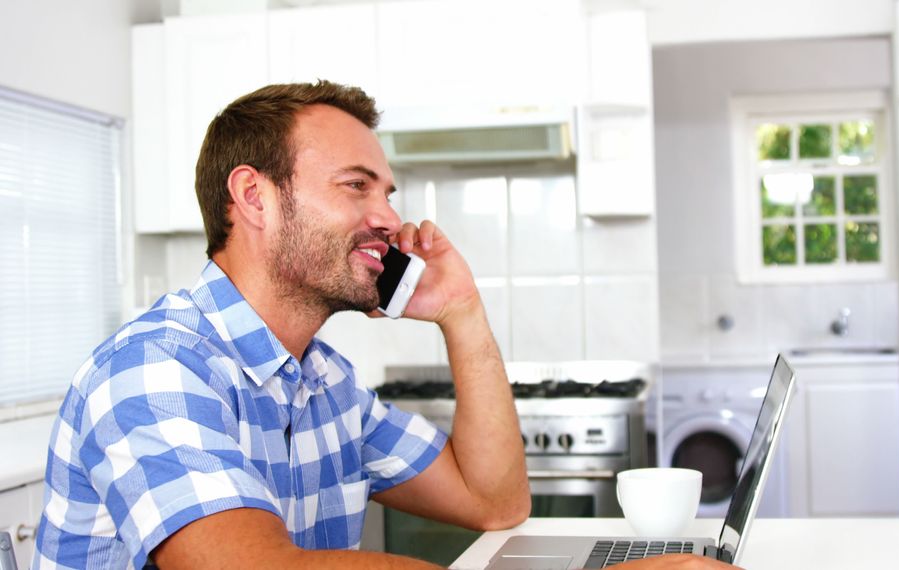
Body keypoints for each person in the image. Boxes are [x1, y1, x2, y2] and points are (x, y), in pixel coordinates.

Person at [33, 80, 737, 570]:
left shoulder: (322, 380)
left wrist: (462, 314)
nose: (389, 218)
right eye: (355, 185)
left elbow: (495, 502)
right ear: (254, 196)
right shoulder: (154, 369)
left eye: (386, 191)